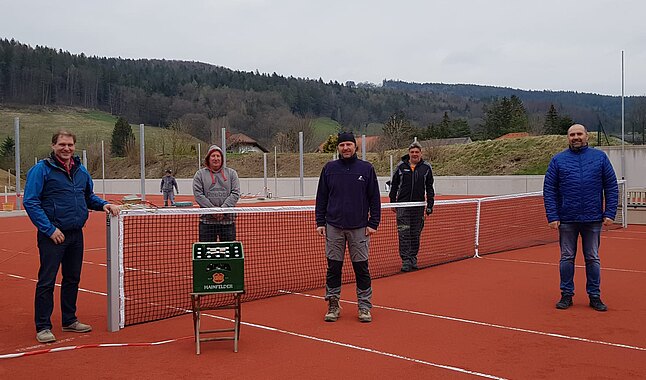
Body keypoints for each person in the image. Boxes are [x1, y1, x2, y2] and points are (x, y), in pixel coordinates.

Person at [23, 130, 120, 344]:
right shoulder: (41, 170)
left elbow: (88, 197)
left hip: (76, 234)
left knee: (72, 278)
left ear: (74, 147)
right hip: (53, 236)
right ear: (53, 146)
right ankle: (43, 326)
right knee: (47, 281)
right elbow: (30, 201)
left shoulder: (81, 171)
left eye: (70, 145)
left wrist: (105, 204)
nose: (66, 148)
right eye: (62, 144)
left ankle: (69, 320)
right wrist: (49, 229)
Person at [543, 124, 618, 312]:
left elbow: (611, 186)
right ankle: (566, 295)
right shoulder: (558, 160)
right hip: (567, 219)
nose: (576, 137)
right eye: (572, 134)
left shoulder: (600, 158)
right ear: (568, 137)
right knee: (567, 257)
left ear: (587, 136)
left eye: (579, 134)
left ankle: (595, 296)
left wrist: (610, 212)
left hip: (593, 219)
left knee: (592, 258)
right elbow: (549, 190)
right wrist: (552, 216)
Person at [315, 132, 381, 323]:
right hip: (333, 227)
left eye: (349, 145)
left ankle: (364, 306)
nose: (346, 148)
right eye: (342, 145)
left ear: (355, 147)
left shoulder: (366, 169)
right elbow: (322, 198)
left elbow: (374, 198)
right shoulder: (329, 168)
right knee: (334, 268)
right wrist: (320, 222)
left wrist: (373, 222)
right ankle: (333, 305)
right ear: (338, 148)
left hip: (359, 228)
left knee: (361, 268)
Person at [389, 141, 435, 272]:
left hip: (418, 207)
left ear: (421, 153)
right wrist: (393, 202)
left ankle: (413, 258)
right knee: (404, 234)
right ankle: (405, 260)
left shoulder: (426, 168)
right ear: (409, 153)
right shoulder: (400, 167)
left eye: (417, 152)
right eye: (412, 152)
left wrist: (430, 204)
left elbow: (429, 187)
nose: (414, 154)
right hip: (403, 207)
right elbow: (394, 185)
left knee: (415, 234)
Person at [193, 145, 240, 242]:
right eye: (213, 156)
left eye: (218, 156)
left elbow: (235, 193)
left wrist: (222, 210)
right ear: (208, 158)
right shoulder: (199, 174)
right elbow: (198, 195)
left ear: (222, 158)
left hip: (228, 222)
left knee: (228, 253)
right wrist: (213, 211)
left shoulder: (232, 173)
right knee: (207, 253)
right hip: (207, 222)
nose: (216, 158)